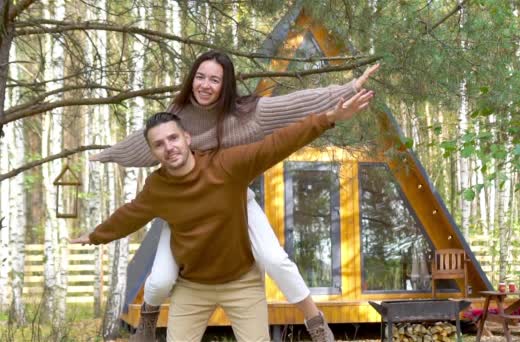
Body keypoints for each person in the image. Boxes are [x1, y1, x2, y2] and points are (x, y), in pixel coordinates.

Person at [91, 50, 379, 341]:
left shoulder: (247, 114)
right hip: (182, 207)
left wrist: (349, 89)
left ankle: (314, 320)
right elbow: (142, 145)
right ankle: (147, 322)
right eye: (200, 77)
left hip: (233, 196)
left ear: (225, 84)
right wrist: (106, 155)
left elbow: (296, 105)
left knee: (273, 259)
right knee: (161, 278)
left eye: (214, 79)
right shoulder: (176, 120)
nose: (205, 85)